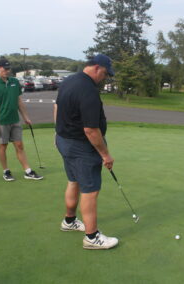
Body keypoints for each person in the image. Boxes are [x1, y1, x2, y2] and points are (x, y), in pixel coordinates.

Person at [54, 54, 118, 250]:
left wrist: (59, 131)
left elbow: (57, 107)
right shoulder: (88, 89)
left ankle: (69, 221)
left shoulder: (69, 80)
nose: (104, 78)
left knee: (73, 180)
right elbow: (91, 129)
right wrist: (105, 154)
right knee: (90, 190)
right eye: (105, 74)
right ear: (97, 68)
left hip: (64, 140)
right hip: (81, 146)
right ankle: (92, 237)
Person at [0, 58, 43, 182]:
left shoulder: (14, 82)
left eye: (9, 69)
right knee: (3, 145)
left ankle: (28, 171)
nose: (7, 71)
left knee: (19, 145)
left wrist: (26, 117)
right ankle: (6, 171)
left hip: (15, 120)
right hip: (1, 121)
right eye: (5, 69)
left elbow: (19, 101)